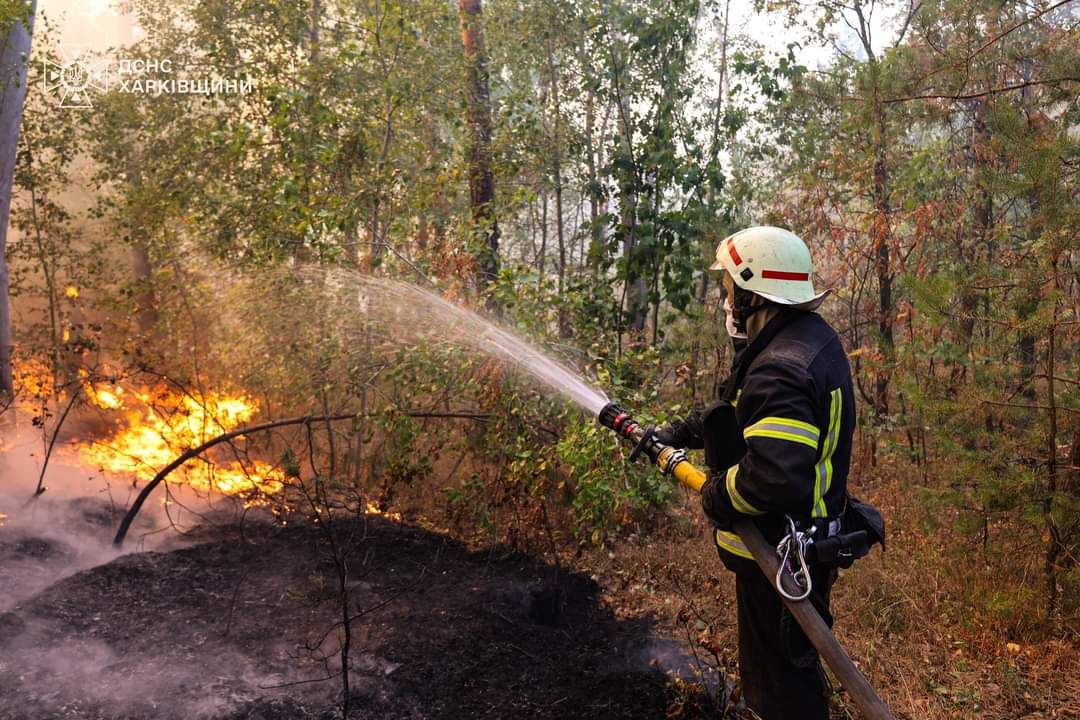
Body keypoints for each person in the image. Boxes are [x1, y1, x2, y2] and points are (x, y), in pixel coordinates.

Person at [656, 225, 856, 720]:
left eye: (729, 289)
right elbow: (744, 417)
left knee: (782, 692)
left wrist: (715, 495)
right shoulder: (803, 341)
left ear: (751, 292)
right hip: (794, 549)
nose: (725, 301)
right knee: (788, 671)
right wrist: (681, 431)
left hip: (779, 556)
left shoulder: (780, 367)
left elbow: (772, 477)